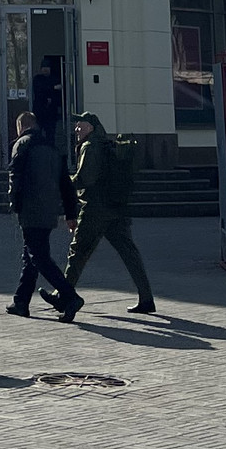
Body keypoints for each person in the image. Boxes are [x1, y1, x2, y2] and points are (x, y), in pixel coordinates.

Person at [61, 113, 155, 315]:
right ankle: (146, 298)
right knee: (129, 253)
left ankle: (63, 295)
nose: (76, 129)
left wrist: (64, 182)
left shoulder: (90, 146)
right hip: (116, 207)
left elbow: (86, 178)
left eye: (80, 125)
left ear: (91, 127)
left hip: (96, 208)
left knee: (78, 252)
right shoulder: (105, 145)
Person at [6, 108, 78, 319]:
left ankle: (70, 296)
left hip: (30, 208)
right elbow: (66, 183)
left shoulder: (22, 144)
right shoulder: (52, 146)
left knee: (39, 258)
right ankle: (21, 302)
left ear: (21, 126)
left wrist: (14, 204)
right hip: (49, 210)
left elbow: (15, 176)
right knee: (31, 255)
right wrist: (70, 213)